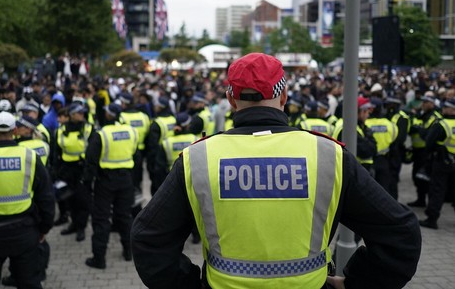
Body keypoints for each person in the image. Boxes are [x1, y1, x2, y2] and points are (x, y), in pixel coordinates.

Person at [131, 53, 421, 289]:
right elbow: (400, 234)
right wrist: (358, 282)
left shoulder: (198, 157)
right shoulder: (328, 154)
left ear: (231, 101)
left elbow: (148, 238)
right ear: (284, 98)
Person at [0, 111, 55, 289]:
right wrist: (45, 227)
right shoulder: (30, 157)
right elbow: (46, 197)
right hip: (25, 232)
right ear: (14, 130)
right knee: (29, 283)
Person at [84, 103, 139, 269]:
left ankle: (99, 258)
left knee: (101, 219)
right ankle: (128, 252)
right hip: (126, 180)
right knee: (124, 216)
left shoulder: (101, 134)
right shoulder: (131, 131)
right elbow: (136, 155)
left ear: (108, 115)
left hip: (105, 181)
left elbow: (91, 162)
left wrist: (87, 183)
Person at [52, 103, 94, 242]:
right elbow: (56, 152)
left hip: (82, 169)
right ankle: (74, 224)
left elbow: (93, 153)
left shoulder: (88, 129)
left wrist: (89, 173)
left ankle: (81, 227)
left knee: (83, 201)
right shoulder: (60, 130)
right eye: (79, 113)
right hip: (66, 170)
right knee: (70, 200)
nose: (82, 115)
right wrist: (57, 172)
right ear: (71, 115)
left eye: (83, 113)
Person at [419, 98, 455, 229]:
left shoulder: (442, 124)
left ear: (451, 110)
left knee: (437, 190)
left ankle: (432, 219)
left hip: (442, 161)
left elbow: (429, 143)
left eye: (446, 107)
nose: (443, 109)